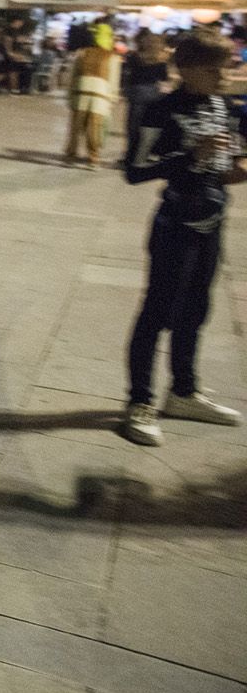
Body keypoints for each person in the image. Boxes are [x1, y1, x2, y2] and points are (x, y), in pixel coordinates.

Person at [118, 32, 244, 446]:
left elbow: (225, 167)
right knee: (157, 312)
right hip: (174, 224)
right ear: (187, 70)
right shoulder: (160, 109)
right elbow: (135, 170)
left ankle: (184, 392)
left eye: (227, 66)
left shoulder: (223, 106)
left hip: (212, 221)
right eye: (214, 69)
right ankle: (140, 401)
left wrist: (236, 169)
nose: (225, 75)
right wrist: (189, 157)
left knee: (196, 309)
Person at [64, 23, 121, 169]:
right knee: (94, 127)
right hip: (100, 96)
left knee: (76, 126)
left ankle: (70, 155)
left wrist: (69, 95)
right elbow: (113, 80)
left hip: (80, 93)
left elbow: (73, 76)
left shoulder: (82, 52)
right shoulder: (112, 57)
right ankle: (93, 158)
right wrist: (112, 98)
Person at [122, 28, 171, 159]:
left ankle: (131, 154)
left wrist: (125, 90)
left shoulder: (133, 56)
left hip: (137, 93)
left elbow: (127, 75)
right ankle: (145, 153)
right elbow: (165, 80)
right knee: (148, 127)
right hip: (154, 94)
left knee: (133, 127)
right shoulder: (161, 60)